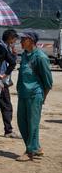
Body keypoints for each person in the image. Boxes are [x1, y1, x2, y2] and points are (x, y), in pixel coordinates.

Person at [15, 31, 53, 162]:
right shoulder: (25, 55)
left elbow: (48, 81)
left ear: (31, 41)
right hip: (23, 94)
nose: (20, 41)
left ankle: (30, 152)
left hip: (35, 95)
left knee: (32, 124)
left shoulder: (40, 57)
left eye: (23, 39)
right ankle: (36, 148)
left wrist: (43, 97)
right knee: (21, 122)